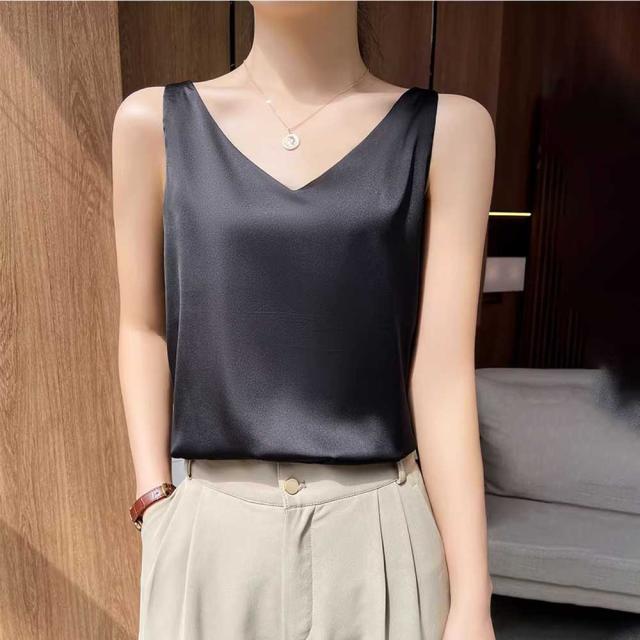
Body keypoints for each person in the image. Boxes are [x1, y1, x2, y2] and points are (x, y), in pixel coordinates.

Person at [112, 2, 496, 639]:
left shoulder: (449, 131)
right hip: (212, 540)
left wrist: (473, 599)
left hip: (380, 535)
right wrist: (155, 502)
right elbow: (142, 326)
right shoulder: (153, 123)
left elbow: (443, 374)